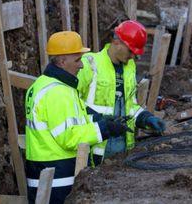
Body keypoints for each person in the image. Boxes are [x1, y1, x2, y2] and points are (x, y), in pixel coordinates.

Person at [25, 31, 130, 203]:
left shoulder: (44, 84)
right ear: (62, 61)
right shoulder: (58, 92)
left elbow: (75, 120)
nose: (81, 65)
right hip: (57, 176)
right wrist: (105, 129)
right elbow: (69, 136)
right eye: (77, 60)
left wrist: (101, 120)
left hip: (46, 172)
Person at [77, 20, 166, 165]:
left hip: (123, 151)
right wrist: (100, 121)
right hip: (95, 148)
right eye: (131, 51)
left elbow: (130, 106)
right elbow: (72, 101)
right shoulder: (90, 63)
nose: (133, 56)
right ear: (117, 42)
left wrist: (145, 118)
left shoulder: (129, 67)